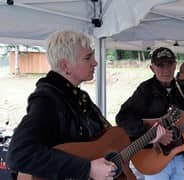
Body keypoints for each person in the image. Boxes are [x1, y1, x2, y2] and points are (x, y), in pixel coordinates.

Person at [6, 30, 166, 180]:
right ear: (65, 66)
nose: (95, 63)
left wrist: (148, 139)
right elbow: (18, 154)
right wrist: (86, 169)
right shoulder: (47, 99)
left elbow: (108, 143)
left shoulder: (80, 97)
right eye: (88, 58)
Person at [116, 47, 184, 180]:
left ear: (175, 66)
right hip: (153, 156)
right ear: (152, 68)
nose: (166, 70)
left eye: (170, 65)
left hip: (180, 156)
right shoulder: (145, 90)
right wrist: (154, 133)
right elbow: (123, 118)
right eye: (160, 65)